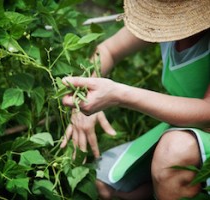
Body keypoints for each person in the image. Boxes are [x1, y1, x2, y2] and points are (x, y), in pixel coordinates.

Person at [60, 0, 210, 199]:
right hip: (183, 125)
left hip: (196, 131)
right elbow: (107, 50)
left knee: (174, 151)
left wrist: (119, 94)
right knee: (101, 181)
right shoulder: (162, 21)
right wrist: (82, 99)